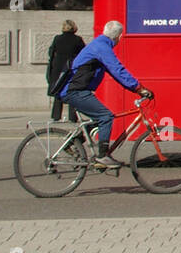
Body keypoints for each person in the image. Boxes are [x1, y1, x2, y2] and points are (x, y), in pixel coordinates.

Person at [57, 20, 147, 168]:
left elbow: (115, 73)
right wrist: (139, 88)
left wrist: (134, 88)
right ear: (120, 36)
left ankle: (73, 142)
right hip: (75, 91)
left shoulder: (99, 44)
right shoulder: (102, 47)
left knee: (100, 117)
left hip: (77, 90)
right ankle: (102, 156)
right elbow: (118, 69)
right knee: (106, 116)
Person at [46, 19, 85, 122]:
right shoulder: (77, 39)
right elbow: (83, 54)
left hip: (58, 69)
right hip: (71, 68)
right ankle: (72, 117)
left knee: (58, 91)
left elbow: (51, 52)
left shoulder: (57, 38)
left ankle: (56, 116)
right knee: (71, 91)